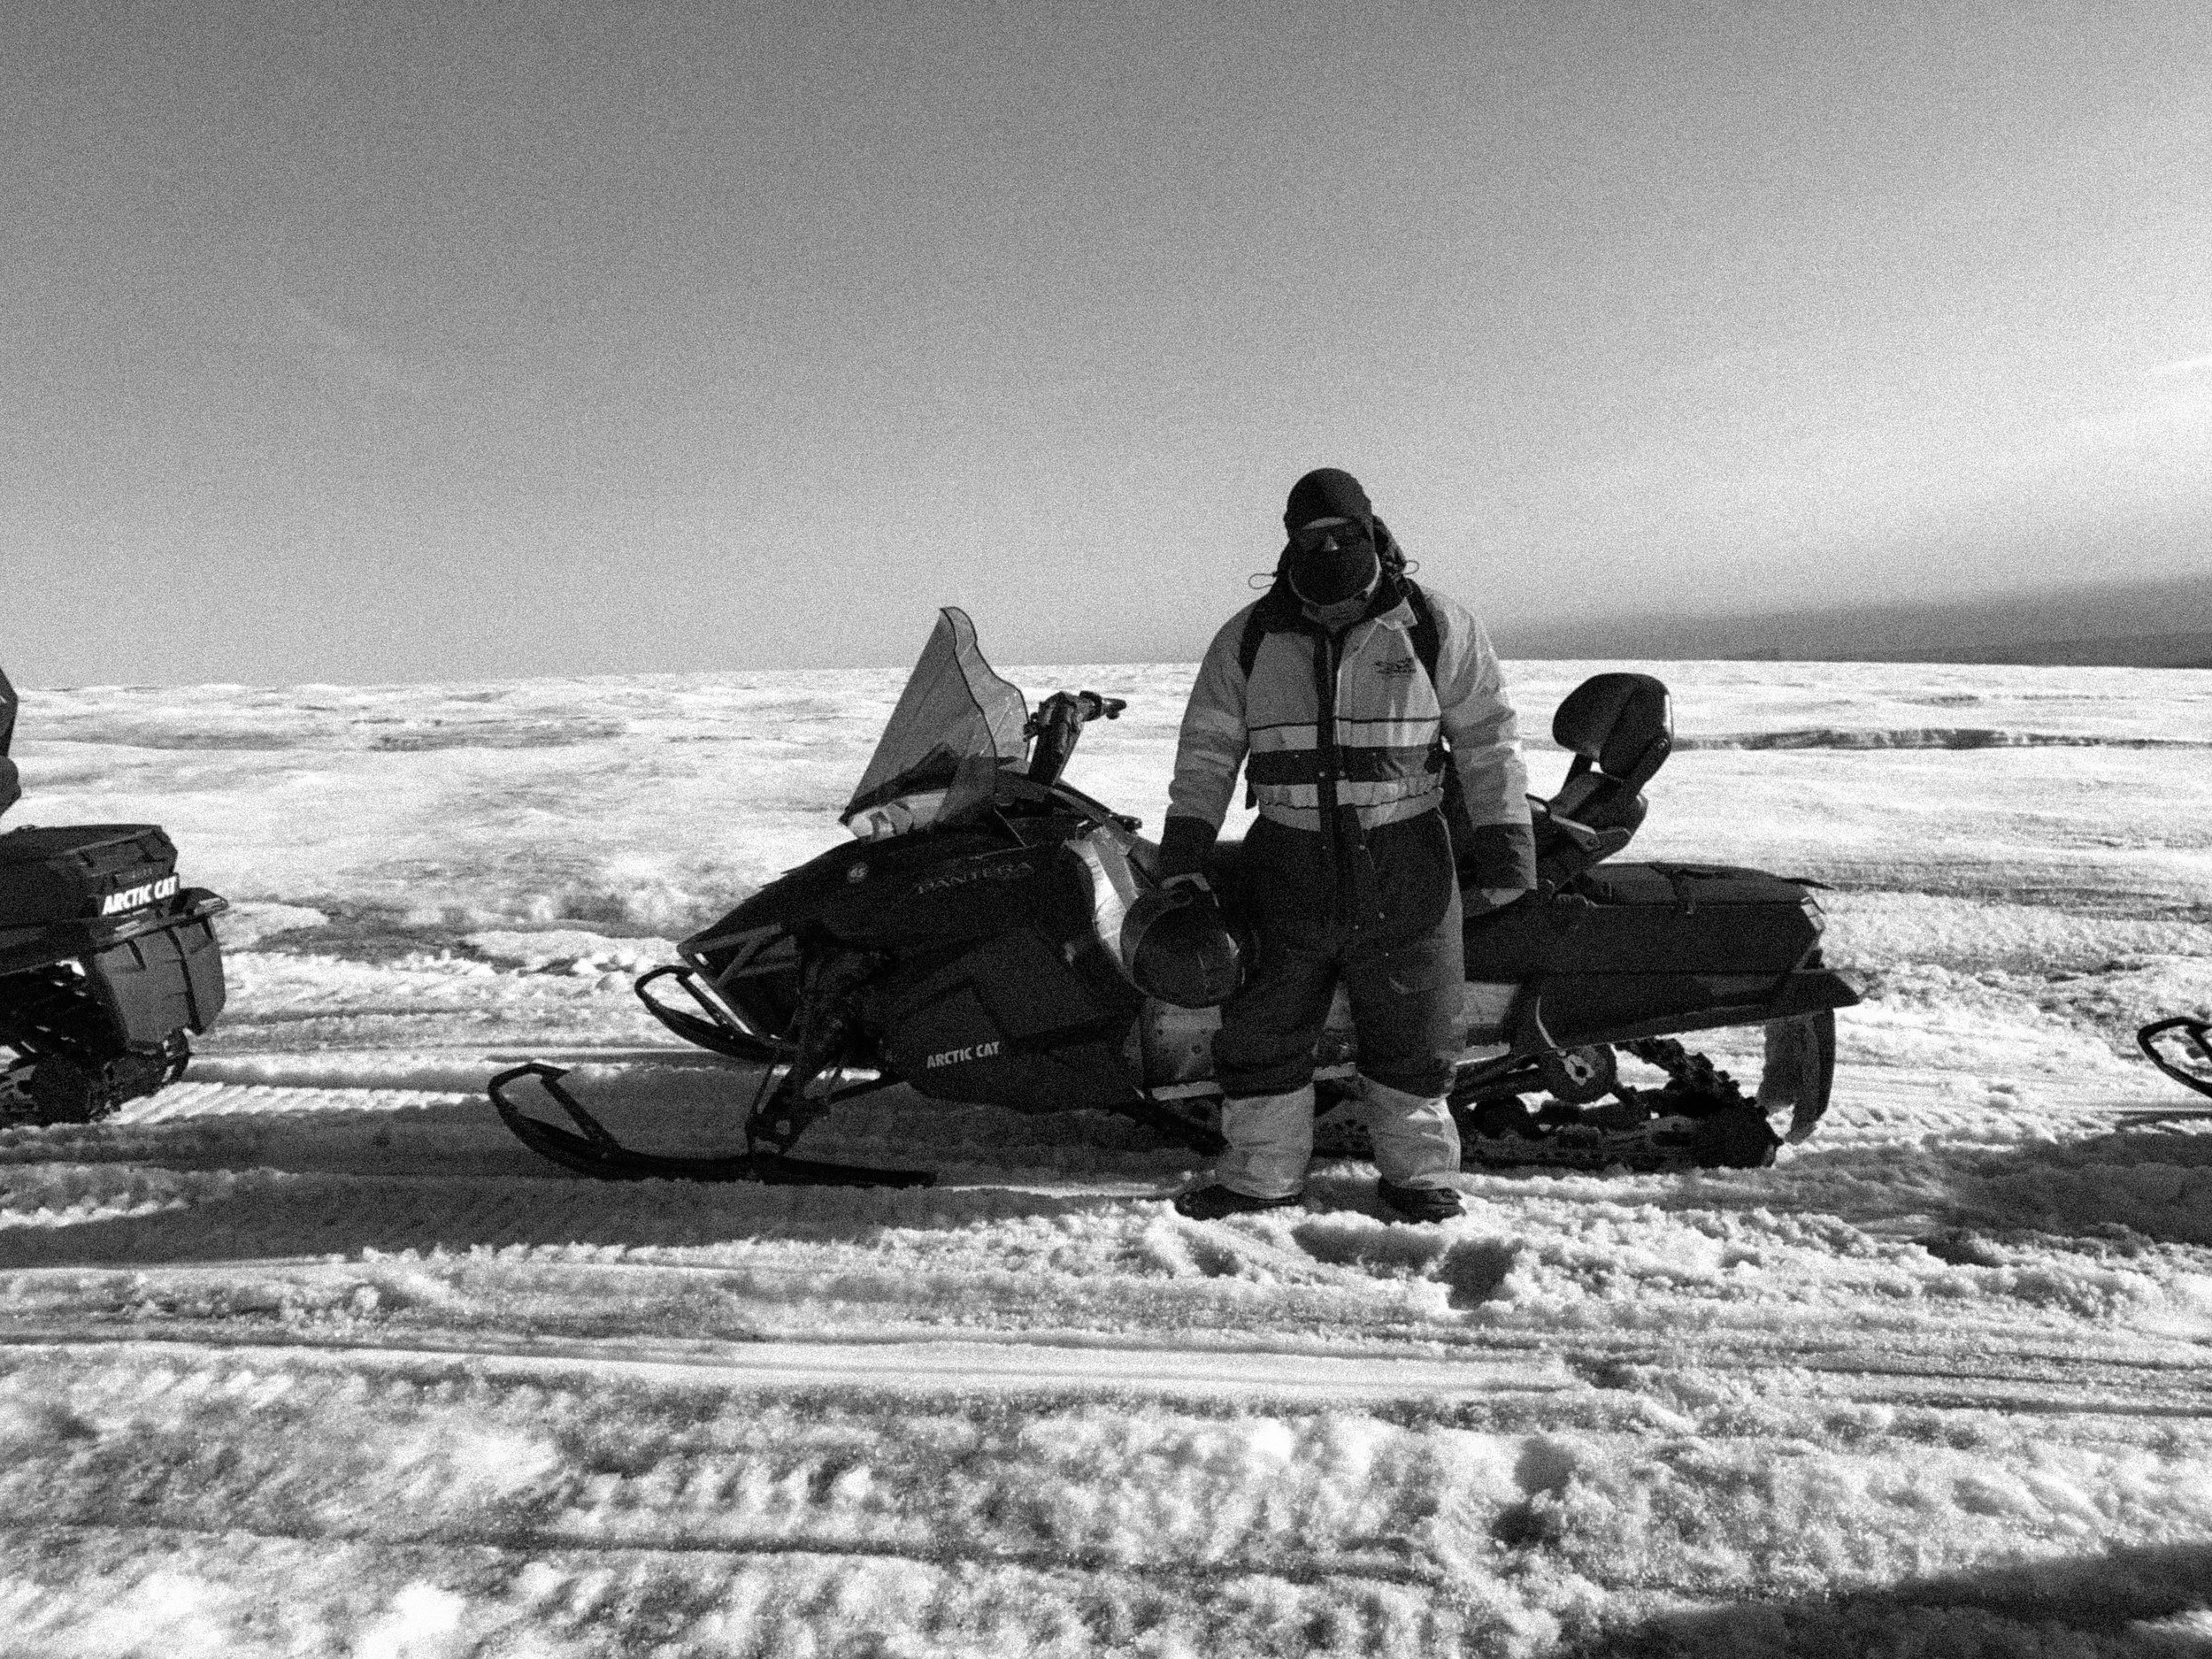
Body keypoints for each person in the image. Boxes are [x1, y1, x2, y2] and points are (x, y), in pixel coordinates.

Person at [1159, 468, 1536, 1222]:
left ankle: (1419, 1179)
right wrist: (1185, 852)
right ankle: (1261, 1177)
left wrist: (1506, 846)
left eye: (1343, 534)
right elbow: (1207, 751)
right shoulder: (1250, 637)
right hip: (1285, 864)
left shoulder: (1433, 624)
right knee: (1266, 1026)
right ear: (1289, 542)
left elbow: (1489, 740)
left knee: (1416, 1029)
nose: (1328, 549)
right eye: (1312, 538)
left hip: (1406, 860)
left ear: (1371, 530)